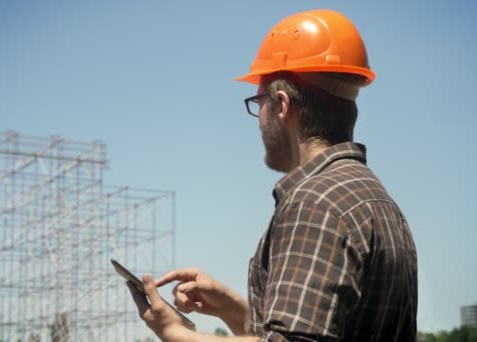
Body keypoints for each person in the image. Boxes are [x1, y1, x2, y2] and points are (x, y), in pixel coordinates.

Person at [127, 9, 418, 341]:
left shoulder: (315, 205)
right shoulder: (377, 201)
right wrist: (232, 308)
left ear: (281, 105)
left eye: (258, 101)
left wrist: (173, 332)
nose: (259, 118)